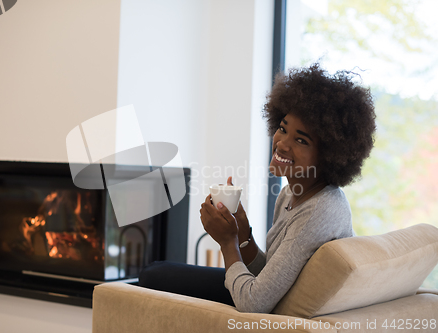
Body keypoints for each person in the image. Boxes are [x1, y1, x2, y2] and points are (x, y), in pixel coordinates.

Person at [139, 63, 376, 313]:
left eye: (300, 140)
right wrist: (243, 232)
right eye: (283, 129)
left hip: (272, 314)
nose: (282, 143)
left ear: (329, 154)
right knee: (155, 272)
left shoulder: (319, 211)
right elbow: (269, 275)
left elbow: (254, 302)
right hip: (271, 300)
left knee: (154, 277)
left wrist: (227, 242)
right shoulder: (291, 193)